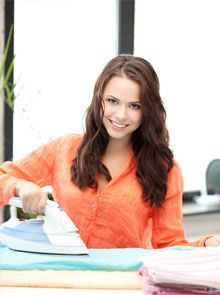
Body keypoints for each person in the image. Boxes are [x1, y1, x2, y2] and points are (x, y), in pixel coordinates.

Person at [0, 54, 219, 248]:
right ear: (99, 99)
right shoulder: (64, 149)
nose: (121, 115)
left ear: (148, 111)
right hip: (62, 278)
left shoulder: (164, 170)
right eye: (112, 101)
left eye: (135, 106)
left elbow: (169, 245)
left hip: (122, 284)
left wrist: (206, 243)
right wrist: (20, 186)